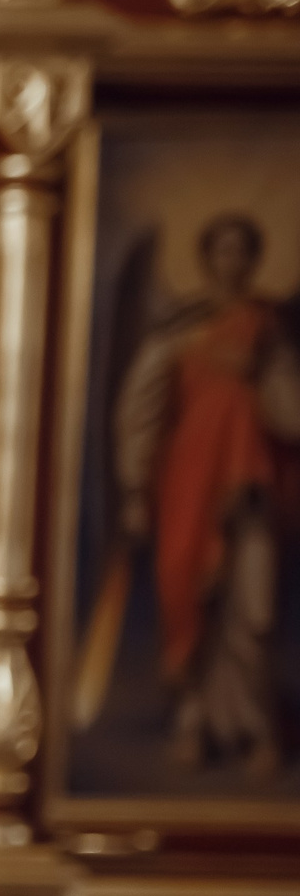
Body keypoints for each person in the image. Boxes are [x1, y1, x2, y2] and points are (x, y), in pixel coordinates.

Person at [111, 212, 300, 776]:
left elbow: (291, 418)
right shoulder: (179, 330)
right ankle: (195, 723)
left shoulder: (267, 330)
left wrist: (266, 373)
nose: (232, 263)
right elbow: (139, 414)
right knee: (190, 600)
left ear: (255, 259)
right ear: (207, 258)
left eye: (243, 252)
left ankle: (252, 728)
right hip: (187, 483)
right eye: (222, 251)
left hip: (250, 485)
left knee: (253, 611)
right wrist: (134, 490)